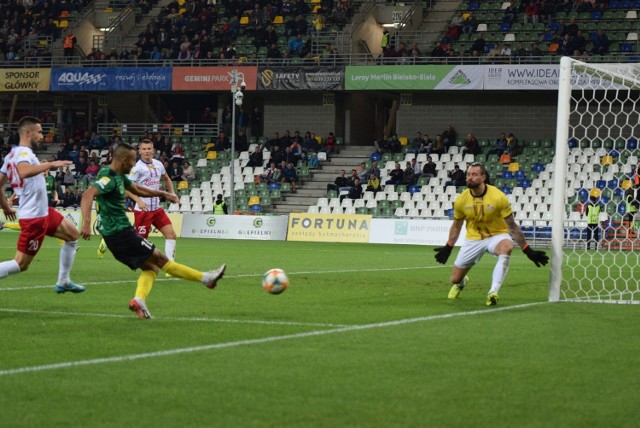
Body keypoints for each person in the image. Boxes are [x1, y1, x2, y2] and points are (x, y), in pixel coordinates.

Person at [80, 143, 226, 319]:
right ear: (124, 159)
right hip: (121, 234)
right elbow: (88, 195)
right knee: (161, 260)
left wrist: (163, 195)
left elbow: (138, 189)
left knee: (151, 268)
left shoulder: (120, 176)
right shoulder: (109, 177)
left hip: (118, 236)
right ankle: (205, 278)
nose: (134, 165)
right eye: (133, 161)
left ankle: (139, 300)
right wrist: (86, 223)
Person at [434, 162, 549, 306]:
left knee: (507, 246)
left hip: (497, 235)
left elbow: (512, 227)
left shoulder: (498, 197)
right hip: (473, 238)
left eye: (474, 174)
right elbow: (456, 226)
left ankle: (493, 292)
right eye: (468, 174)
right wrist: (448, 246)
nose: (470, 177)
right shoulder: (461, 200)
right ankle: (461, 284)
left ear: (483, 177)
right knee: (455, 279)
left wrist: (527, 249)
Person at [0, 116, 85, 294]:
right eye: (39, 132)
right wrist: (51, 164)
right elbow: (23, 172)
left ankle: (64, 280)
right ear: (28, 132)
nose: (42, 135)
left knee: (72, 235)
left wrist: (6, 207)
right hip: (33, 217)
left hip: (43, 211)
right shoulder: (24, 153)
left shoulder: (11, 155)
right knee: (21, 264)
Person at [98, 139, 179, 268]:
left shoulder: (158, 164)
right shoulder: (136, 168)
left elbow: (167, 179)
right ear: (139, 151)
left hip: (157, 209)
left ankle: (171, 266)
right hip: (143, 210)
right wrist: (138, 200)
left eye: (149, 148)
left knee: (171, 235)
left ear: (153, 150)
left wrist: (172, 193)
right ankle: (107, 242)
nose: (147, 151)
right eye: (144, 149)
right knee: (138, 243)